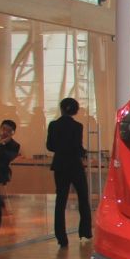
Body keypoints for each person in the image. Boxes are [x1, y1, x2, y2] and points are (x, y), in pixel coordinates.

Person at [46, 97, 92, 247]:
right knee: (83, 197)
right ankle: (85, 232)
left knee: (60, 200)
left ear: (61, 108)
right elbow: (77, 147)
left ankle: (61, 237)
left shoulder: (53, 125)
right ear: (75, 110)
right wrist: (84, 153)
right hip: (75, 165)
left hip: (60, 165)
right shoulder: (77, 126)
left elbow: (50, 146)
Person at [0, 119, 20, 233]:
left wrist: (3, 143)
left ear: (12, 133)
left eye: (8, 131)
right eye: (3, 129)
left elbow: (6, 159)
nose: (4, 132)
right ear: (0, 128)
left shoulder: (14, 145)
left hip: (0, 172)